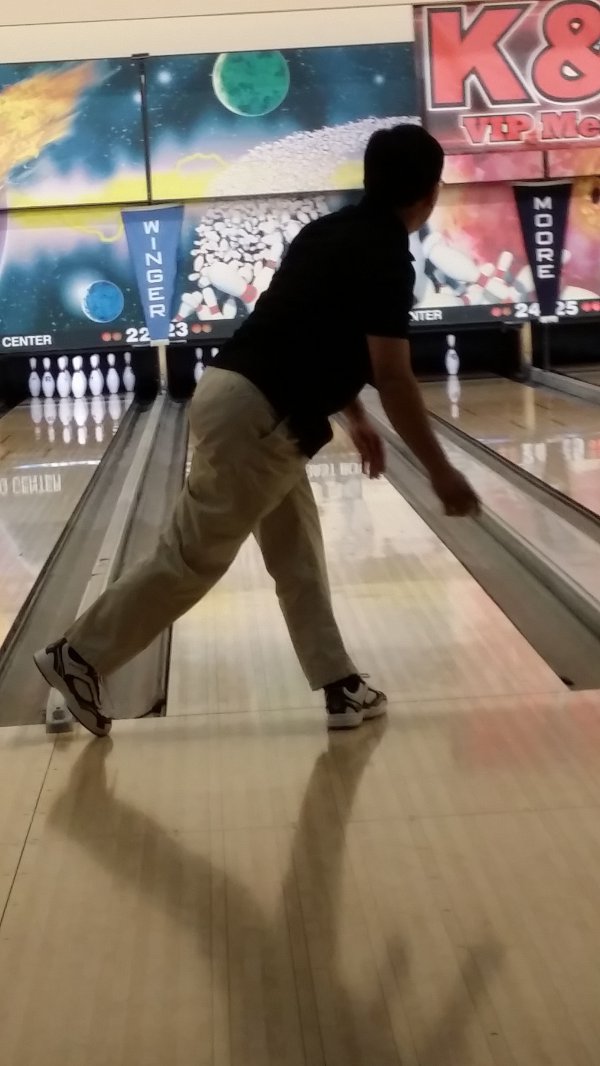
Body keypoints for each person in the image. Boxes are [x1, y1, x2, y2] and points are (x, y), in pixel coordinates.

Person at [34, 123, 479, 737]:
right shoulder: (387, 257)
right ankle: (78, 656)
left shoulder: (326, 232)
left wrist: (353, 416)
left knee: (297, 550)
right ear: (431, 192)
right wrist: (441, 471)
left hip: (246, 400)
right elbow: (394, 376)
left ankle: (339, 684)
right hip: (263, 420)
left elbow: (309, 332)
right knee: (193, 558)